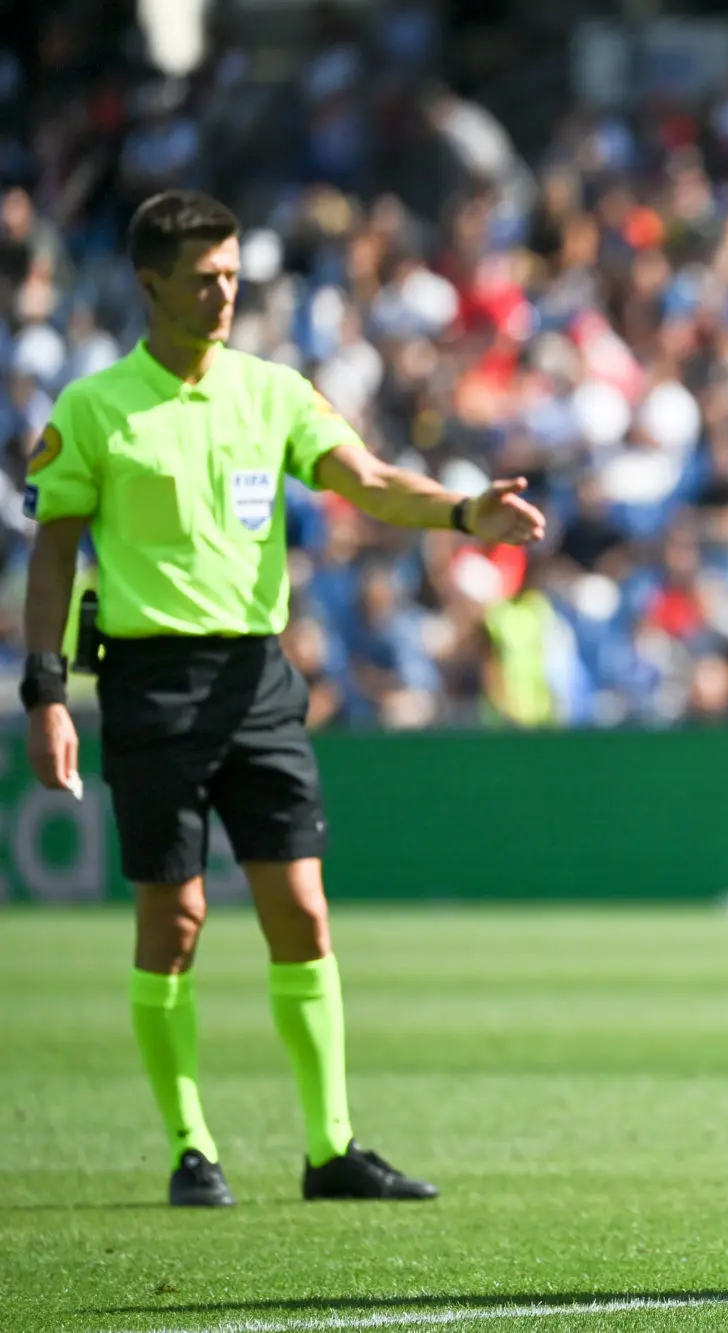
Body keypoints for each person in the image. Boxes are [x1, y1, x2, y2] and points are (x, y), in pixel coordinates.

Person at [19, 190, 546, 1206]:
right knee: (174, 917)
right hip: (150, 681)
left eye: (231, 276)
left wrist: (465, 512)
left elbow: (367, 479)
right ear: (148, 284)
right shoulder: (92, 409)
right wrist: (47, 692)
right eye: (203, 278)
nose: (223, 294)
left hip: (256, 678)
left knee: (301, 908)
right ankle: (190, 1144)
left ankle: (329, 1146)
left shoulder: (273, 391)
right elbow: (51, 562)